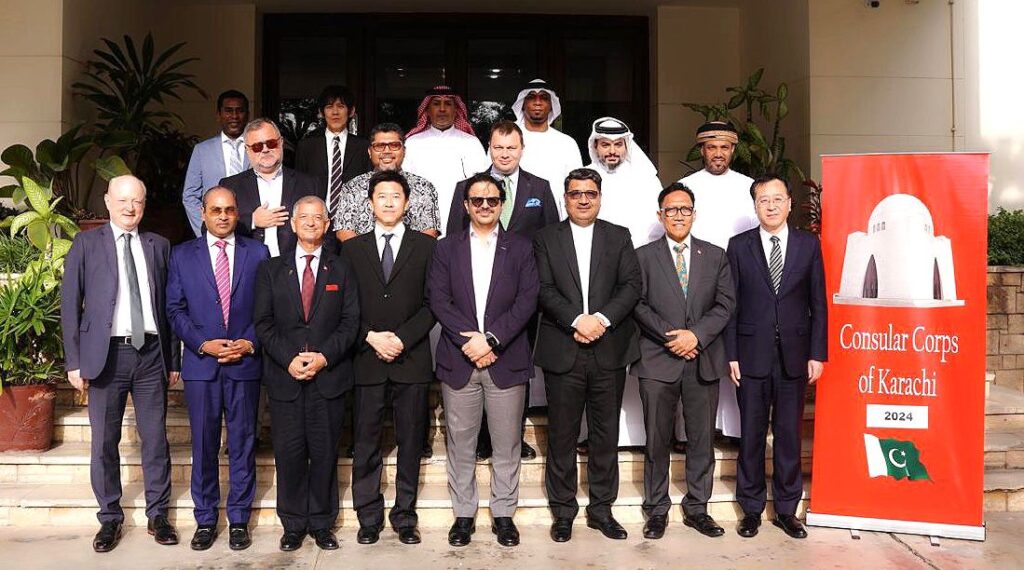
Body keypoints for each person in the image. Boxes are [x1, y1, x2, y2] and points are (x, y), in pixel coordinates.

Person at [60, 175, 180, 553]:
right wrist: (74, 361)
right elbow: (69, 304)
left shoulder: (158, 245)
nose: (130, 208)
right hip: (106, 356)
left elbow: (169, 308)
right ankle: (110, 517)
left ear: (144, 205)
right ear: (108, 201)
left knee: (155, 439)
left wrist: (173, 359)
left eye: (137, 201)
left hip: (150, 355)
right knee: (103, 442)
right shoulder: (86, 243)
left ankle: (158, 514)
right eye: (123, 200)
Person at [428, 172, 539, 548]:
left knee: (507, 444)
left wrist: (491, 339)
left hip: (505, 358)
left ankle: (504, 514)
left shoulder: (521, 247)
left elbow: (527, 299)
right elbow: (438, 299)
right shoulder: (446, 248)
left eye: (493, 200)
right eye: (478, 200)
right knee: (460, 443)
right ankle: (463, 514)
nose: (485, 206)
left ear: (501, 205)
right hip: (460, 360)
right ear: (466, 205)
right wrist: (471, 341)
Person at [533, 168, 641, 543]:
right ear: (565, 198)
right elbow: (543, 288)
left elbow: (632, 285)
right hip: (563, 348)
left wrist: (602, 320)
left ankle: (601, 510)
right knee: (562, 435)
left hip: (608, 349)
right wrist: (577, 320)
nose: (583, 199)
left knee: (605, 434)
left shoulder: (618, 236)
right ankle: (563, 512)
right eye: (576, 193)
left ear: (600, 197)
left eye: (590, 193)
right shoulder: (546, 238)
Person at [446, 120, 559, 462]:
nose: (505, 154)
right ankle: (483, 438)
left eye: (511, 148)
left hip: (523, 298)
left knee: (515, 364)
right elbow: (453, 239)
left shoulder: (540, 187)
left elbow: (551, 238)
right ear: (489, 149)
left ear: (522, 149)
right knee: (477, 364)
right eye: (498, 147)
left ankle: (514, 435)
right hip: (475, 296)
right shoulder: (467, 187)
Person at [253, 196, 360, 551]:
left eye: (318, 217)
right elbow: (263, 323)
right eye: (304, 217)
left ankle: (322, 523)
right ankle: (293, 523)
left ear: (328, 225)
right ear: (293, 224)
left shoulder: (342, 269)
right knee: (289, 454)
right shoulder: (271, 269)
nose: (311, 222)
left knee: (325, 453)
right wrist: (289, 359)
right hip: (285, 378)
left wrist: (324, 357)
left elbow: (351, 321)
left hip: (328, 377)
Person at [166, 186, 270, 551]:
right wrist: (202, 344)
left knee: (242, 443)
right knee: (204, 444)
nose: (223, 216)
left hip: (244, 363)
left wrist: (249, 341)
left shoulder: (258, 253)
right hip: (202, 365)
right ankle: (206, 519)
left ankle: (239, 519)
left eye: (229, 210)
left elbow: (268, 307)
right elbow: (175, 309)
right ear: (203, 213)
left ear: (237, 213)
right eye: (216, 210)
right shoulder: (182, 255)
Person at [726, 175, 827, 540]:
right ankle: (751, 509)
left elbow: (819, 302)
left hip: (794, 357)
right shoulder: (739, 246)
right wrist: (732, 354)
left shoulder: (808, 244)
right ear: (755, 206)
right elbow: (731, 304)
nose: (770, 206)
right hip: (750, 355)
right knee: (751, 435)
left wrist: (817, 353)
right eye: (763, 200)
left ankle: (787, 510)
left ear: (789, 203)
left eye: (777, 199)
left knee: (788, 435)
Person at [632, 183, 735, 540]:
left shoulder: (715, 255)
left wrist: (696, 336)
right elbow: (637, 304)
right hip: (657, 360)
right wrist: (673, 337)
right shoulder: (643, 256)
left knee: (701, 439)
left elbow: (725, 304)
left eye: (685, 209)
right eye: (671, 210)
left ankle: (697, 508)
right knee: (657, 439)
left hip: (702, 360)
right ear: (660, 215)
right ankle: (656, 509)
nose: (678, 215)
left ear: (694, 214)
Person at [341, 170, 436, 546]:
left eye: (396, 196)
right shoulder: (352, 249)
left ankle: (405, 515)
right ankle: (368, 516)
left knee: (411, 442)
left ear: (407, 203)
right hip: (366, 358)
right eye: (381, 196)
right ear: (370, 204)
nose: (389, 203)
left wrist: (402, 338)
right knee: (365, 442)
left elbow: (433, 303)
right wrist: (369, 336)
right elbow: (345, 305)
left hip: (410, 358)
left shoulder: (426, 247)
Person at [581, 116, 664, 450]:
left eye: (618, 144)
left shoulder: (647, 181)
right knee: (599, 358)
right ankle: (596, 434)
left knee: (639, 354)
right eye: (605, 144)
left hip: (638, 280)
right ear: (595, 146)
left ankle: (642, 435)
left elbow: (656, 231)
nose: (612, 150)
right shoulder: (583, 178)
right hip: (594, 281)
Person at [678, 120, 758, 448]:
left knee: (734, 354)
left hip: (740, 283)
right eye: (711, 147)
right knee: (698, 354)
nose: (718, 153)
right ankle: (692, 432)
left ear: (733, 150)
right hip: (697, 283)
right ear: (702, 150)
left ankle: (735, 430)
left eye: (724, 147)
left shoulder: (749, 187)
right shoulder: (685, 186)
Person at [220, 118, 326, 258]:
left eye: (271, 143)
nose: (265, 150)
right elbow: (210, 228)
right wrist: (252, 221)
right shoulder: (230, 186)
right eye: (257, 146)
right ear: (247, 150)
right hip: (247, 266)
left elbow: (326, 230)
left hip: (294, 267)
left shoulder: (309, 184)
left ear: (281, 142)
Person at [403, 86, 489, 234]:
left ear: (456, 110)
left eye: (448, 104)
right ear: (427, 110)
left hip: (461, 218)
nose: (442, 109)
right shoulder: (412, 143)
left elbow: (483, 185)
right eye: (436, 104)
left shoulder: (471, 142)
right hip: (420, 220)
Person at [333, 123, 440, 242]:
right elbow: (344, 231)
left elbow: (430, 232)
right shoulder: (352, 188)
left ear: (404, 151)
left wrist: (405, 254)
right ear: (370, 152)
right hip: (361, 253)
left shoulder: (423, 187)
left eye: (394, 145)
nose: (387, 151)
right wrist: (367, 253)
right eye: (379, 146)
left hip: (413, 253)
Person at [294, 85, 372, 220]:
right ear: (321, 112)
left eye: (341, 106)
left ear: (351, 111)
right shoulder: (307, 147)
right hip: (316, 220)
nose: (335, 112)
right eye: (329, 107)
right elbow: (299, 184)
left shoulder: (363, 147)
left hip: (354, 219)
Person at [511, 78, 584, 218]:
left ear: (551, 105)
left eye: (544, 98)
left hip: (556, 217)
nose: (537, 102)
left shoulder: (567, 143)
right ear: (522, 104)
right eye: (531, 97)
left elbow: (577, 186)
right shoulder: (507, 139)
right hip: (515, 217)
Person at [183, 90, 251, 237]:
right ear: (218, 115)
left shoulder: (258, 148)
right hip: (213, 231)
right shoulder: (202, 150)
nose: (234, 116)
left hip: (251, 230)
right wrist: (205, 230)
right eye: (228, 111)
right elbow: (190, 195)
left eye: (240, 110)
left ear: (248, 115)